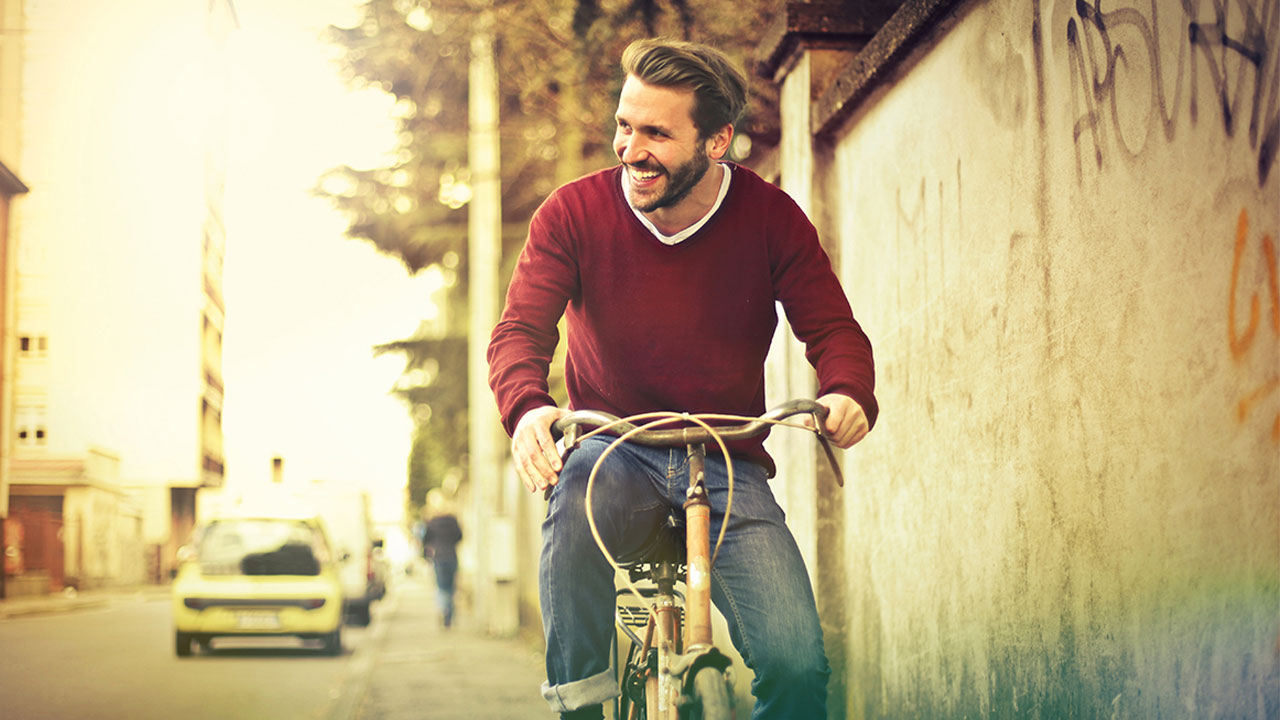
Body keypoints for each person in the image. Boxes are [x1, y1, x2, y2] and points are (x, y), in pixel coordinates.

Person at [487, 38, 878, 720]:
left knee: (797, 667)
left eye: (657, 134)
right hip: (614, 451)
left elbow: (834, 329)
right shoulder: (572, 213)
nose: (630, 149)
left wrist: (846, 389)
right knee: (572, 488)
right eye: (624, 126)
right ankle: (579, 706)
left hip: (727, 460)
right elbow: (519, 332)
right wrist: (526, 409)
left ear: (717, 141)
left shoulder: (771, 217)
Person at [420, 494, 463, 628]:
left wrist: (426, 554)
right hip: (452, 556)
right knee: (451, 587)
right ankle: (450, 613)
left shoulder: (432, 522)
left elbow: (425, 540)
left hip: (438, 557)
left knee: (441, 587)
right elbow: (460, 536)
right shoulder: (453, 521)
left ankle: (444, 610)